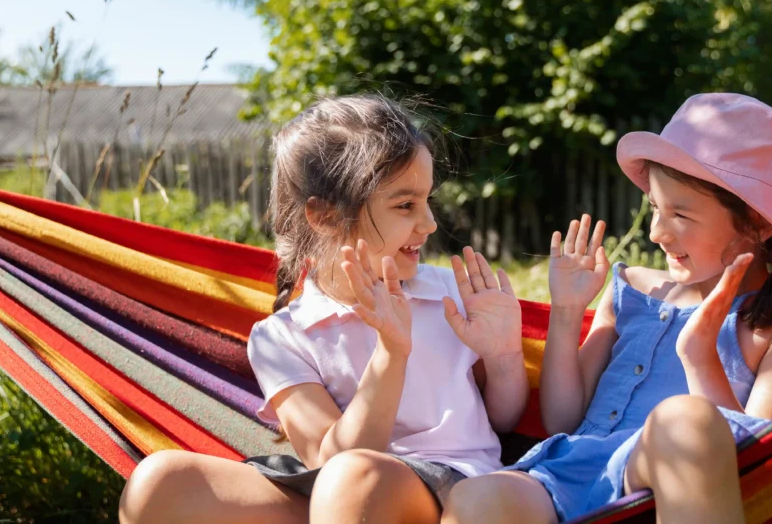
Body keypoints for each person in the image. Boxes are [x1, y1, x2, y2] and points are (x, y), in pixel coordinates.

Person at [119, 94, 528, 524]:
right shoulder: (281, 339)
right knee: (160, 483)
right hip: (334, 488)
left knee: (356, 481)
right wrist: (391, 354)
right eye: (406, 205)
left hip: (453, 487)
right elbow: (328, 460)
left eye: (427, 201)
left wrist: (503, 357)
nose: (428, 224)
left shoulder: (450, 294)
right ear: (326, 217)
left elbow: (505, 419)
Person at [443, 93, 772, 524]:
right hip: (565, 477)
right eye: (656, 209)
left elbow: (757, 454)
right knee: (477, 499)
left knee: (685, 420)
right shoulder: (632, 288)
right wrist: (569, 310)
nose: (657, 232)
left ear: (757, 223)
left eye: (680, 213)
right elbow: (562, 419)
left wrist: (699, 354)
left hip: (661, 481)